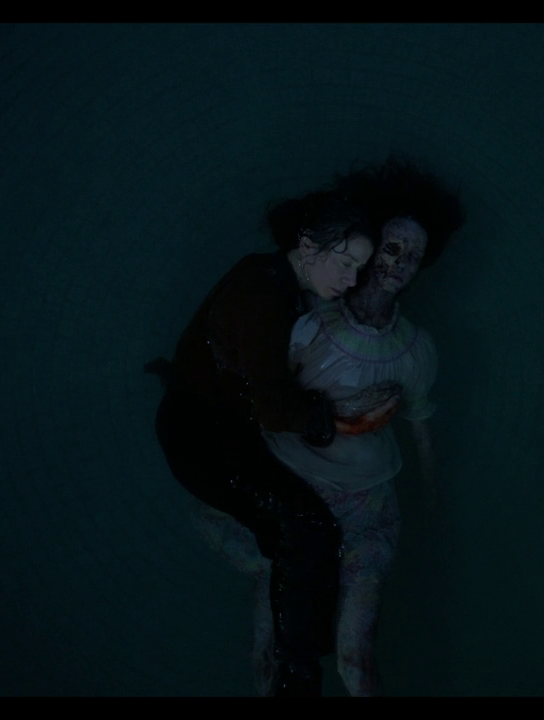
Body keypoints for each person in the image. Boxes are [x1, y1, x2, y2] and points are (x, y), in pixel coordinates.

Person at [192, 157, 466, 696]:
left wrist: (434, 495)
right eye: (391, 249)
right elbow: (260, 391)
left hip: (365, 506)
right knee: (269, 654)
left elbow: (420, 420)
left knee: (354, 658)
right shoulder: (311, 320)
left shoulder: (416, 349)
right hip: (289, 493)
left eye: (412, 257)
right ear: (368, 249)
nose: (398, 265)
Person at [148, 189, 402, 696]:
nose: (352, 279)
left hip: (209, 423)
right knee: (308, 529)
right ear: (307, 246)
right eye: (345, 263)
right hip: (201, 441)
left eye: (359, 267)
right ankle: (299, 679)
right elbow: (272, 406)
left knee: (299, 534)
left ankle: (297, 646)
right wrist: (343, 422)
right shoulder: (264, 294)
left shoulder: (268, 276)